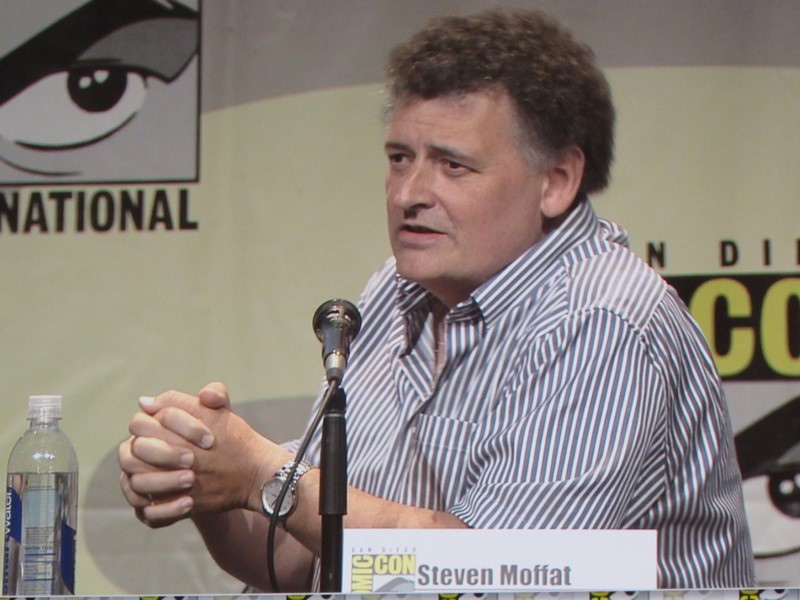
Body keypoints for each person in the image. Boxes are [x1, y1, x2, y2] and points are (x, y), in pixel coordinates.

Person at [118, 8, 756, 591]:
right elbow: (302, 559)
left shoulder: (601, 319)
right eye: (401, 159)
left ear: (557, 181)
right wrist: (205, 476)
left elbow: (505, 578)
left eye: (453, 165)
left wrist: (266, 476)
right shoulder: (393, 292)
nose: (408, 194)